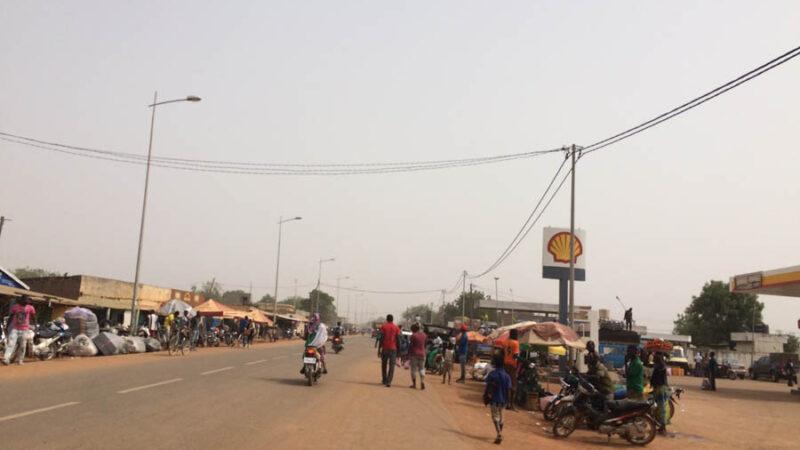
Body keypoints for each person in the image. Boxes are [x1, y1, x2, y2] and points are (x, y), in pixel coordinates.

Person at [483, 354, 512, 445]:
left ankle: (499, 434)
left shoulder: (492, 374)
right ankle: (499, 433)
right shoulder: (507, 376)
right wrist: (509, 401)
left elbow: (487, 387)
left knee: (495, 417)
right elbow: (509, 389)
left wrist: (486, 396)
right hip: (503, 400)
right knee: (501, 418)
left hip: (494, 400)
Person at [2, 296, 36, 365]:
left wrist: (35, 325)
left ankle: (20, 360)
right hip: (15, 329)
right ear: (21, 301)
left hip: (25, 330)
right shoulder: (15, 307)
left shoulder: (30, 307)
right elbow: (11, 317)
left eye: (26, 302)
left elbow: (33, 316)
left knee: (23, 346)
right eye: (24, 302)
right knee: (11, 344)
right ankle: (6, 359)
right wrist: (7, 326)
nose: (25, 304)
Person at [651, 352, 670, 434]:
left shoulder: (659, 367)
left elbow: (654, 379)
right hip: (662, 388)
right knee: (661, 408)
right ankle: (661, 425)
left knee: (659, 408)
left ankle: (662, 426)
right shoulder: (662, 366)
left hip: (659, 389)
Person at [379, 314, 400, 387]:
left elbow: (381, 338)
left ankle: (384, 379)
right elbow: (398, 339)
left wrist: (379, 349)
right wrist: (399, 350)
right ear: (392, 319)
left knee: (384, 364)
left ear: (387, 319)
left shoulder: (383, 326)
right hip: (393, 349)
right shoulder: (396, 327)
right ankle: (389, 381)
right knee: (392, 366)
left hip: (385, 348)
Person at [503, 328, 521, 410]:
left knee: (506, 384)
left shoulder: (506, 342)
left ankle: (506, 403)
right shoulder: (516, 343)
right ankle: (511, 404)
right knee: (513, 385)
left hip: (505, 364)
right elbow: (515, 355)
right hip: (512, 365)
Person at [409, 323, 427, 390]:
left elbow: (411, 345)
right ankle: (422, 382)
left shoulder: (413, 335)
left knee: (413, 369)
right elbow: (425, 345)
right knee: (422, 369)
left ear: (413, 329)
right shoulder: (424, 335)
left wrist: (409, 354)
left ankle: (414, 384)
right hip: (422, 354)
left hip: (414, 354)